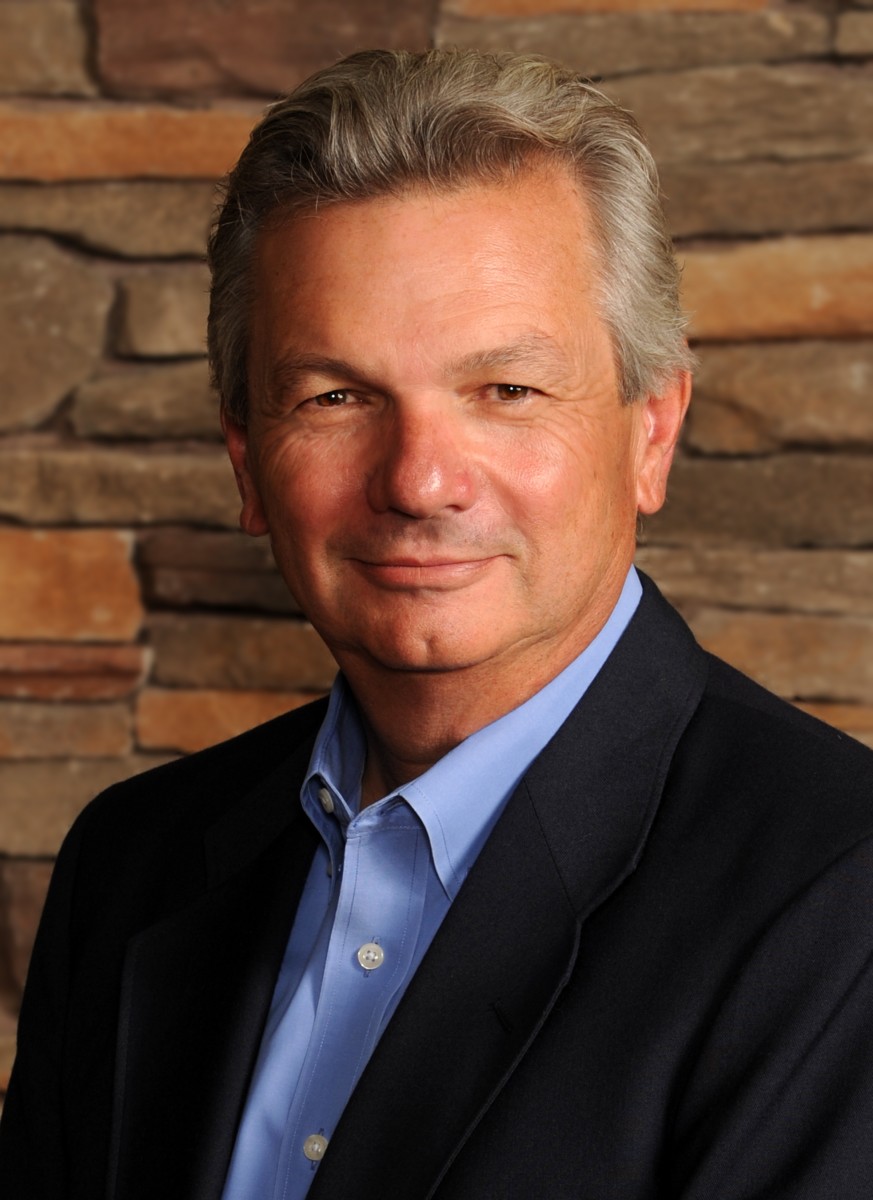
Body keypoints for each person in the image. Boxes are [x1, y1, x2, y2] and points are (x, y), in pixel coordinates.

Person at [1, 47, 872, 1200]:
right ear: (246, 460)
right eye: (337, 398)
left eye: (505, 391)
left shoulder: (840, 902)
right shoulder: (134, 862)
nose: (420, 482)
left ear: (650, 431)